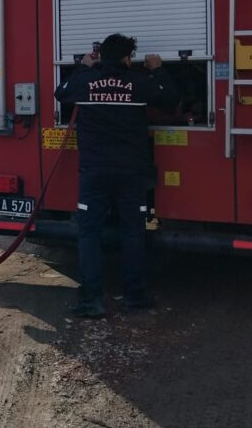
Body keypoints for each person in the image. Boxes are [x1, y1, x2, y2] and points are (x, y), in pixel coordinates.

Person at [54, 33, 179, 317]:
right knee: (133, 231)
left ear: (101, 56)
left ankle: (92, 301)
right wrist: (158, 68)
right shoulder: (138, 82)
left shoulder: (85, 82)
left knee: (89, 233)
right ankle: (134, 296)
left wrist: (83, 67)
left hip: (94, 173)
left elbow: (61, 93)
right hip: (131, 173)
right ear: (127, 58)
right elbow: (170, 98)